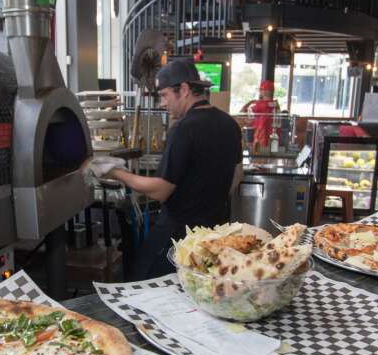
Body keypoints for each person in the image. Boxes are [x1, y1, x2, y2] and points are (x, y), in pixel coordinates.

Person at [102, 59, 243, 279]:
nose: (162, 103)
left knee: (142, 281)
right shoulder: (230, 124)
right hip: (217, 234)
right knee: (201, 288)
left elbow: (160, 190)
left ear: (184, 90)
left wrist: (115, 172)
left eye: (165, 95)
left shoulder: (184, 129)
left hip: (179, 236)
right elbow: (237, 175)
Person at [240, 80, 278, 153]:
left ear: (264, 91)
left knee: (259, 155)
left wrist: (250, 102)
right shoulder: (276, 104)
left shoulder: (258, 105)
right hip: (272, 138)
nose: (260, 91)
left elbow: (242, 112)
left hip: (259, 136)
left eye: (261, 89)